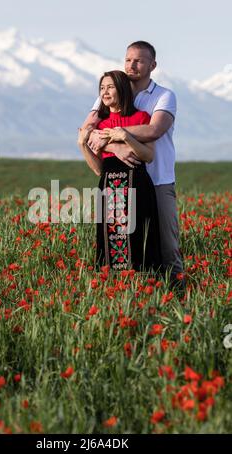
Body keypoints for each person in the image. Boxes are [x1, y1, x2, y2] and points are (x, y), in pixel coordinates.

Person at [82, 41, 184, 287]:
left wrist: (113, 134)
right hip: (120, 185)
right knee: (120, 244)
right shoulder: (114, 89)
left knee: (165, 247)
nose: (132, 65)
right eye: (128, 60)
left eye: (138, 60)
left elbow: (153, 130)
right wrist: (112, 144)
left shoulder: (163, 96)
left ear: (153, 65)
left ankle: (179, 298)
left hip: (157, 179)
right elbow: (88, 130)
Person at [78, 70, 161, 272]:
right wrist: (83, 146)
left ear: (122, 89)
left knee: (139, 238)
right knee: (110, 239)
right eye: (102, 88)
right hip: (110, 188)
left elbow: (148, 156)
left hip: (138, 186)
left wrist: (125, 137)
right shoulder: (99, 125)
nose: (104, 92)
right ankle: (113, 288)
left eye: (110, 87)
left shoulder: (141, 117)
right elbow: (99, 170)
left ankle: (146, 286)